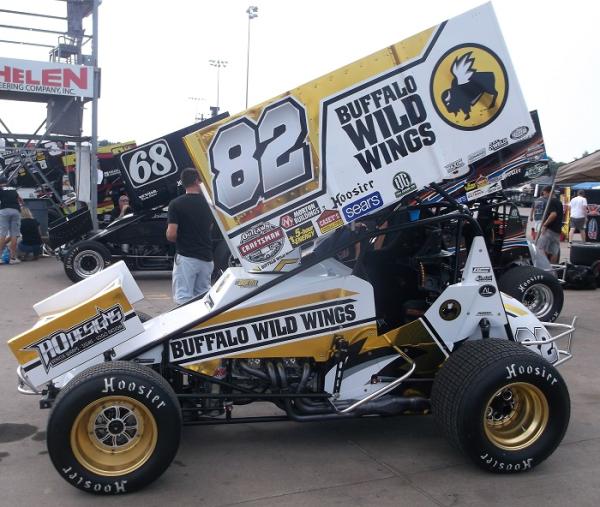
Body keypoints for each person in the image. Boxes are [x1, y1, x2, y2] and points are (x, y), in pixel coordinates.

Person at [166, 168, 214, 305]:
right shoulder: (209, 204)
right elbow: (210, 227)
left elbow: (171, 234)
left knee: (183, 297)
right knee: (204, 296)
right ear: (196, 181)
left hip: (187, 257)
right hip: (206, 257)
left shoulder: (175, 204)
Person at [537, 185, 564, 263]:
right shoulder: (559, 202)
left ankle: (544, 268)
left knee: (540, 248)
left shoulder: (551, 201)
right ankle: (552, 270)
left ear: (549, 192)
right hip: (557, 230)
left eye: (544, 194)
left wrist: (545, 225)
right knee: (553, 251)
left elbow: (553, 214)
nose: (544, 196)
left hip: (549, 229)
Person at [0, 175, 22, 264]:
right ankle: (13, 258)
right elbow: (21, 200)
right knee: (14, 234)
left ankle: (0, 258)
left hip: (4, 211)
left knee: (3, 234)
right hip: (16, 211)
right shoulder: (13, 189)